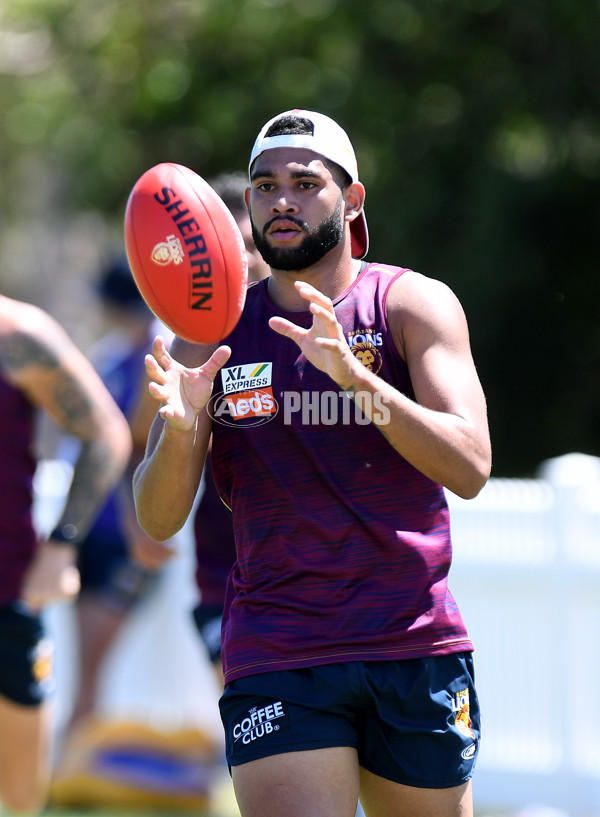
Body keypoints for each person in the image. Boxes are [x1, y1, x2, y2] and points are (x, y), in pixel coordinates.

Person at [133, 109, 492, 817]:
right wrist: (180, 429)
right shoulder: (209, 335)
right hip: (279, 645)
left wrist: (359, 381)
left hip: (411, 639)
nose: (283, 201)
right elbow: (158, 519)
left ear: (352, 199)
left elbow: (472, 464)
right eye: (265, 188)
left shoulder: (409, 304)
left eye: (305, 182)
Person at [0, 292, 132, 814]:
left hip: (9, 594)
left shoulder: (18, 335)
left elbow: (104, 433)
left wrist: (61, 546)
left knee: (22, 797)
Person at [62, 256, 175, 730]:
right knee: (85, 660)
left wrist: (138, 524)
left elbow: (136, 451)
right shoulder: (109, 356)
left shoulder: (165, 352)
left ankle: (73, 757)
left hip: (129, 535)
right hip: (92, 530)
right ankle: (74, 759)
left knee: (92, 659)